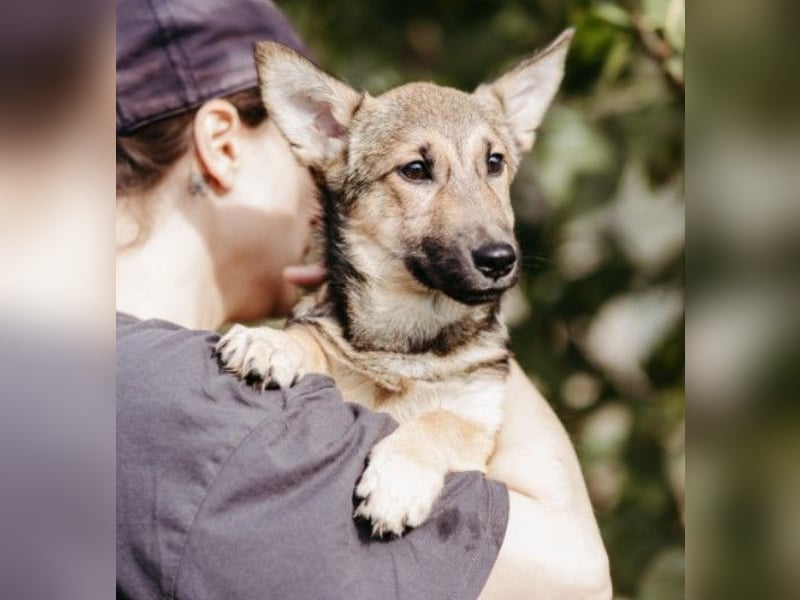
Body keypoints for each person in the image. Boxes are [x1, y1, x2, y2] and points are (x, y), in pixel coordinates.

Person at [115, 1, 611, 598]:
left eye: (493, 164)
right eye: (418, 170)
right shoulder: (185, 409)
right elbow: (575, 576)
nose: (317, 194)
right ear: (223, 145)